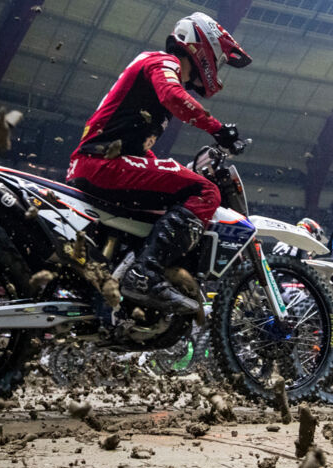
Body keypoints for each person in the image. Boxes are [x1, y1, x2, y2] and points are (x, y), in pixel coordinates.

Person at [66, 12, 250, 315]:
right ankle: (145, 274)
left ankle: (126, 282)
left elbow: (140, 154)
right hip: (101, 163)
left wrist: (176, 171)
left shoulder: (153, 72)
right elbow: (173, 94)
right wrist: (218, 129)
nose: (218, 67)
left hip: (99, 164)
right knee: (206, 193)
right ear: (201, 46)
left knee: (168, 202)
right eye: (218, 59)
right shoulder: (162, 62)